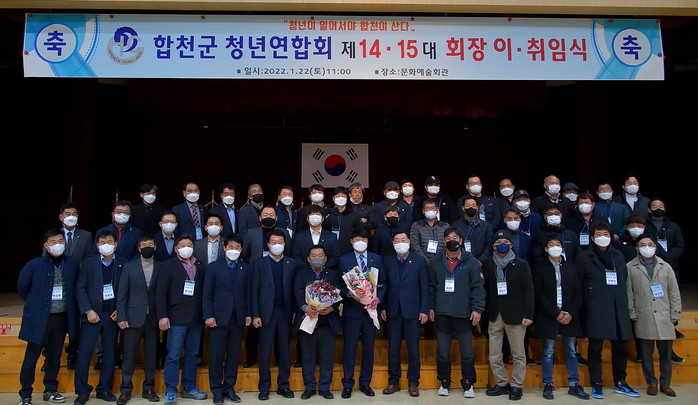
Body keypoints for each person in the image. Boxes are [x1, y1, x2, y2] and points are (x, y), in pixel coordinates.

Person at [576, 222, 639, 399]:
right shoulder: (584, 257)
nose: (602, 237)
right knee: (595, 349)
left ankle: (620, 381)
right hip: (596, 308)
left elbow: (624, 279)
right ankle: (596, 383)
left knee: (620, 348)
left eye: (606, 234)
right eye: (598, 234)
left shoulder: (618, 256)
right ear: (592, 237)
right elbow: (579, 284)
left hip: (618, 307)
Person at [17, 229, 80, 405]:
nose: (58, 245)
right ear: (46, 245)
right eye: (53, 242)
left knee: (54, 356)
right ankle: (25, 394)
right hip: (39, 318)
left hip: (60, 318)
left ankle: (50, 389)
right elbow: (22, 288)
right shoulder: (34, 264)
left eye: (60, 241)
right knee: (31, 357)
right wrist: (35, 304)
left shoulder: (72, 263)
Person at [428, 228, 485, 398]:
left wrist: (477, 309)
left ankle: (468, 383)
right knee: (443, 352)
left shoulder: (471, 262)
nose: (451, 240)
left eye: (455, 237)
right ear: (444, 241)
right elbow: (431, 287)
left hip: (463, 313)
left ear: (460, 241)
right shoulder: (435, 261)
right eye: (448, 238)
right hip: (442, 313)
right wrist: (431, 307)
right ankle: (444, 382)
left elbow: (478, 287)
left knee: (467, 352)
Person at [74, 229, 128, 405]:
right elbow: (80, 288)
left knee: (110, 355)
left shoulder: (123, 263)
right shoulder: (88, 263)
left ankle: (104, 389)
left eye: (110, 242)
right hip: (92, 315)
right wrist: (88, 310)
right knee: (84, 354)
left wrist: (120, 310)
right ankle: (82, 391)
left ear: (116, 244)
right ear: (97, 246)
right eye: (102, 242)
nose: (106, 245)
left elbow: (127, 289)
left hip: (111, 315)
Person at [532, 235, 589, 400]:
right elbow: (539, 293)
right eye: (551, 244)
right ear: (546, 249)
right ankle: (548, 384)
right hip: (550, 315)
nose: (555, 247)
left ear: (562, 248)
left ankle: (574, 384)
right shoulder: (539, 268)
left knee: (571, 351)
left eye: (558, 244)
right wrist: (555, 313)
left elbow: (578, 292)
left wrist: (570, 313)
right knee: (548, 351)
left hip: (569, 315)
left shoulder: (571, 267)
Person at [627, 235, 682, 397]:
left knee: (665, 353)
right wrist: (632, 311)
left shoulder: (665, 266)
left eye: (650, 244)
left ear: (655, 247)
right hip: (643, 315)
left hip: (664, 315)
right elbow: (629, 292)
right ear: (637, 248)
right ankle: (651, 382)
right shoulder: (630, 267)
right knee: (646, 353)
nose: (647, 247)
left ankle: (665, 383)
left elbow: (674, 291)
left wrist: (675, 312)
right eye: (643, 244)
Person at [481, 231, 534, 401]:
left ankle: (517, 385)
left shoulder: (522, 264)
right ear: (493, 246)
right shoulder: (488, 264)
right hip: (495, 314)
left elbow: (529, 291)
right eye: (498, 242)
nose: (501, 244)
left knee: (518, 354)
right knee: (494, 353)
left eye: (505, 241)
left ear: (511, 245)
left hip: (516, 315)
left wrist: (528, 314)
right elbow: (485, 289)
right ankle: (501, 383)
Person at [156, 235, 208, 405]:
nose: (187, 247)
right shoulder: (167, 265)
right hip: (176, 317)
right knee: (173, 355)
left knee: (192, 354)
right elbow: (161, 293)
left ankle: (189, 387)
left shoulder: (200, 265)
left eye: (189, 244)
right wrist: (163, 315)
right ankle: (171, 389)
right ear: (176, 249)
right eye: (183, 245)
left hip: (196, 317)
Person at [203, 234, 251, 405]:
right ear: (224, 248)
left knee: (233, 355)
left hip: (238, 318)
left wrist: (248, 314)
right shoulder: (213, 267)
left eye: (237, 247)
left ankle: (229, 387)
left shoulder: (246, 268)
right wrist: (208, 315)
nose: (234, 250)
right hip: (218, 318)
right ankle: (216, 390)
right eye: (231, 247)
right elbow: (206, 294)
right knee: (216, 356)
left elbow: (248, 293)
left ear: (241, 249)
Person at [338, 230, 386, 398]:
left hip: (371, 311)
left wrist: (378, 298)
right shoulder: (344, 259)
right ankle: (347, 384)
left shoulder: (377, 259)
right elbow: (339, 283)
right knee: (349, 348)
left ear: (367, 241)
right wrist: (348, 293)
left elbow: (383, 283)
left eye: (363, 239)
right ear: (351, 241)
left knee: (369, 348)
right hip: (352, 310)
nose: (360, 242)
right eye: (357, 239)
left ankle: (365, 383)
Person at [381, 232, 429, 397]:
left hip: (413, 311)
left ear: (409, 241)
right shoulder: (387, 260)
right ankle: (393, 381)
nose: (400, 243)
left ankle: (413, 382)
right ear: (393, 243)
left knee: (413, 349)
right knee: (393, 349)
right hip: (393, 310)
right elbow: (384, 285)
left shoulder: (419, 261)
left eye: (403, 240)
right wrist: (383, 307)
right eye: (397, 240)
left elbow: (424, 287)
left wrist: (424, 309)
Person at [251, 229, 297, 400]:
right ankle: (264, 387)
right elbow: (254, 291)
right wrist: (255, 314)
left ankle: (283, 385)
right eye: (274, 242)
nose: (277, 245)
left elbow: (295, 290)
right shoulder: (259, 263)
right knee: (265, 351)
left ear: (285, 244)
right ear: (268, 245)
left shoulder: (292, 263)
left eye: (280, 242)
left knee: (284, 350)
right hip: (265, 314)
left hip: (285, 312)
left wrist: (295, 312)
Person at [116, 236, 161, 404]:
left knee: (151, 356)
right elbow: (122, 294)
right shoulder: (129, 267)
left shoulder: (161, 266)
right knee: (129, 356)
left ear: (155, 247)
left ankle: (148, 388)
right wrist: (121, 316)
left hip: (153, 318)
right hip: (132, 317)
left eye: (150, 244)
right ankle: (125, 390)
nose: (147, 247)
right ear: (138, 248)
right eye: (144, 244)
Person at [294, 245, 342, 400]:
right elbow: (297, 293)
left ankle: (324, 388)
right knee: (307, 357)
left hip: (327, 321)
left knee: (327, 357)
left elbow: (339, 294)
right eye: (313, 256)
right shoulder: (301, 274)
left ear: (325, 258)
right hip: (308, 320)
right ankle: (309, 387)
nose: (317, 258)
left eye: (320, 255)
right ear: (308, 259)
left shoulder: (333, 274)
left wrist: (332, 308)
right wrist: (305, 308)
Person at [51, 202, 92, 370]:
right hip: (57, 285)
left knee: (75, 322)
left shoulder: (86, 235)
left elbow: (88, 259)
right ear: (61, 216)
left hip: (78, 283)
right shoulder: (54, 235)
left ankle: (72, 353)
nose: (71, 217)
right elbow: (46, 259)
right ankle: (49, 356)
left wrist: (76, 273)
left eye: (74, 214)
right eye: (67, 214)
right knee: (56, 321)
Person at [292, 205, 340, 270]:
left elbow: (336, 256)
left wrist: (323, 267)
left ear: (322, 218)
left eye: (317, 214)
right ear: (307, 218)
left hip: (326, 272)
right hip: (305, 272)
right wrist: (309, 268)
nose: (315, 216)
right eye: (312, 214)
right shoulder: (299, 237)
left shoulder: (332, 236)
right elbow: (296, 256)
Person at [452, 195, 493, 263]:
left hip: (481, 263)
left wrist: (481, 260)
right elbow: (454, 244)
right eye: (468, 205)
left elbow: (489, 245)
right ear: (463, 208)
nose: (471, 207)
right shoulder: (456, 226)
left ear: (477, 208)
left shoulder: (486, 226)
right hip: (461, 262)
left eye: (473, 205)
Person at [324, 186, 360, 255]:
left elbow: (358, 232)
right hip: (330, 250)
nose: (340, 198)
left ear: (347, 198)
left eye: (343, 196)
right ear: (333, 198)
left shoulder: (354, 215)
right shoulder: (327, 214)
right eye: (338, 196)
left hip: (348, 250)